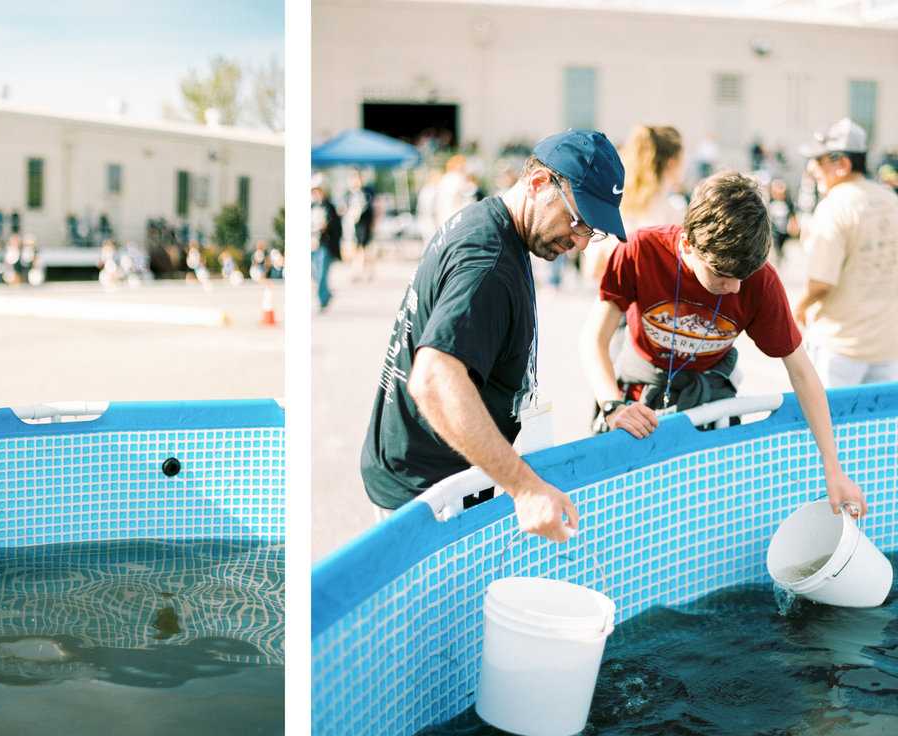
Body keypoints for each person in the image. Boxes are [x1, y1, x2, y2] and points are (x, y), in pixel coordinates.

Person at [360, 129, 628, 542]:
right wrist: (524, 487)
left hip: (425, 469)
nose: (578, 241)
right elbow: (433, 380)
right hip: (428, 493)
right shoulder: (487, 265)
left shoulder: (491, 220)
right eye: (578, 221)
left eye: (593, 231)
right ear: (539, 183)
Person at [578, 170, 867, 518]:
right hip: (639, 386)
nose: (735, 289)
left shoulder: (760, 281)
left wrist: (833, 470)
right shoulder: (640, 249)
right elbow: (594, 339)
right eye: (721, 275)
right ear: (687, 245)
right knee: (630, 503)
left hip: (710, 390)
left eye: (742, 277)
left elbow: (803, 373)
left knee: (705, 505)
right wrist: (612, 405)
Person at [792, 118, 898, 388]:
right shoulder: (891, 200)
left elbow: (821, 284)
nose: (811, 167)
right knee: (876, 428)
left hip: (840, 346)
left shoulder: (835, 206)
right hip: (887, 345)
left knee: (831, 424)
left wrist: (799, 309)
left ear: (843, 165)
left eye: (819, 160)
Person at [582, 124, 686, 279]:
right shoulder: (675, 210)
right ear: (672, 162)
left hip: (613, 298)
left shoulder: (611, 205)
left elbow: (593, 269)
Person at [310, 177, 340, 311]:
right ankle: (326, 294)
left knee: (322, 273)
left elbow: (336, 226)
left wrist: (326, 226)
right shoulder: (311, 207)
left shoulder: (329, 207)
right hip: (312, 243)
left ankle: (322, 300)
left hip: (324, 244)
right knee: (314, 273)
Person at [344, 169, 377, 282]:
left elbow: (374, 208)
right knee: (360, 249)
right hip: (354, 226)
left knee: (364, 248)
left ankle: (359, 271)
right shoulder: (349, 194)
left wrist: (374, 223)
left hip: (365, 224)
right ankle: (363, 271)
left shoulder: (367, 192)